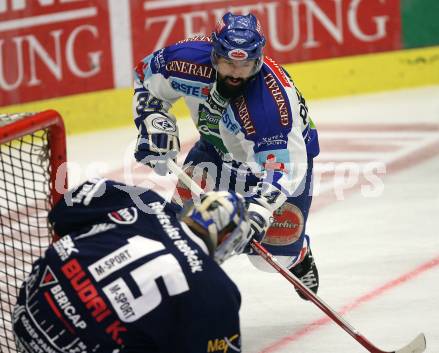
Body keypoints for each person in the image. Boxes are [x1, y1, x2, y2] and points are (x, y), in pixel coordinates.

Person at [132, 12, 320, 299]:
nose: (235, 72)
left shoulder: (269, 105)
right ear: (213, 53)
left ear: (258, 60)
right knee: (182, 229)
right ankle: (176, 301)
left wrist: (259, 211)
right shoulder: (184, 60)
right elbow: (145, 76)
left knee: (269, 260)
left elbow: (285, 168)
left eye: (245, 64)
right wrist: (154, 121)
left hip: (279, 165)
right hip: (215, 152)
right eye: (228, 62)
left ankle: (299, 254)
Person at [13, 178, 251, 353]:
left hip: (27, 314)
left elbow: (61, 213)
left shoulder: (145, 204)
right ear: (226, 241)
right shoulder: (217, 289)